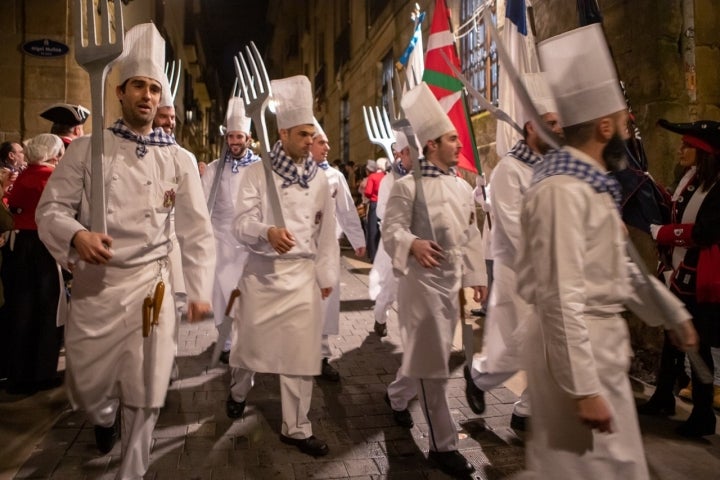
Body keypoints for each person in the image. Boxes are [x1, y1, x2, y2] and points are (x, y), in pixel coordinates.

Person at [515, 24, 697, 478]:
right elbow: (560, 294)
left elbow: (621, 269)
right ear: (602, 126)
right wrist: (583, 388)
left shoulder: (590, 186)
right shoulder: (562, 191)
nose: (628, 123)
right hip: (577, 357)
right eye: (622, 116)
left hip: (597, 352)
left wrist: (671, 313)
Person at [36, 23, 215, 479]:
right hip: (98, 287)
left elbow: (196, 231)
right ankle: (103, 413)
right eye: (140, 85)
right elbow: (50, 210)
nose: (148, 96)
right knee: (91, 390)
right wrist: (77, 236)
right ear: (120, 91)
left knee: (147, 391)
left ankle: (132, 470)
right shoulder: (86, 151)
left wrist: (198, 289)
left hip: (151, 290)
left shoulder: (181, 160)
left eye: (155, 89)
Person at [382, 82, 487, 477]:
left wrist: (477, 276)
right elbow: (391, 230)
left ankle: (396, 398)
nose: (459, 144)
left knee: (427, 359)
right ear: (430, 145)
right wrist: (412, 244)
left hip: (451, 286)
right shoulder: (407, 187)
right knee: (434, 368)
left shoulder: (463, 187)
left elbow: (472, 234)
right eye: (452, 138)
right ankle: (442, 446)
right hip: (421, 287)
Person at [230, 75, 338, 457]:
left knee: (300, 354)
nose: (311, 141)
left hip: (302, 277)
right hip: (263, 275)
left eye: (313, 134)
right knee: (248, 348)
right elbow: (240, 224)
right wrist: (267, 231)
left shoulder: (321, 180)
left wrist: (326, 275)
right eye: (304, 134)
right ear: (284, 132)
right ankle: (238, 390)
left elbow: (327, 231)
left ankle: (297, 427)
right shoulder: (256, 173)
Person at [466, 73, 563, 431]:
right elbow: (513, 227)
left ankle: (525, 413)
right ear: (531, 126)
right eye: (550, 123)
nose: (557, 130)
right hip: (517, 275)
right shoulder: (508, 170)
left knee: (548, 349)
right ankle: (477, 377)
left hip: (550, 272)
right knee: (514, 352)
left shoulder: (553, 169)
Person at [638, 118, 720, 437]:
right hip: (677, 272)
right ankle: (663, 396)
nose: (681, 149)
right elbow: (678, 208)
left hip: (700, 279)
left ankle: (703, 415)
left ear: (703, 152)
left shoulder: (716, 186)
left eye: (687, 145)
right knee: (671, 341)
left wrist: (665, 234)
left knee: (696, 346)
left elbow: (705, 231)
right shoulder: (690, 178)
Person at [2, 134, 65, 395]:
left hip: (18, 245)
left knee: (20, 309)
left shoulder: (21, 176)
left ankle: (17, 375)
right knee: (48, 311)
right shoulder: (53, 177)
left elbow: (12, 205)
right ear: (53, 155)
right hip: (44, 246)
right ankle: (41, 374)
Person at [200, 97, 259, 369]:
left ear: (248, 137)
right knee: (222, 296)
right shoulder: (213, 168)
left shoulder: (261, 168)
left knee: (250, 296)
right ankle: (224, 343)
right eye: (231, 136)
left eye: (239, 136)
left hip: (250, 243)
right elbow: (202, 204)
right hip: (220, 240)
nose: (234, 141)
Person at [311, 118, 365, 381]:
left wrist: (358, 240)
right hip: (300, 252)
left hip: (328, 251)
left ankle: (321, 356)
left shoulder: (335, 176)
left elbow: (346, 210)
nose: (328, 147)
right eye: (322, 142)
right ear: (309, 144)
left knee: (326, 303)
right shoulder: (293, 174)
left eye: (328, 142)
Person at [368, 130, 412, 337]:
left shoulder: (425, 177)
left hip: (418, 244)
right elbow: (381, 211)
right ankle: (380, 317)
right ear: (402, 153)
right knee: (389, 287)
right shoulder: (389, 180)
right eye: (412, 152)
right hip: (394, 243)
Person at [363, 157, 386, 262]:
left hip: (374, 204)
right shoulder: (387, 177)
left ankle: (373, 256)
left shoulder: (373, 176)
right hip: (385, 204)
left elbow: (367, 192)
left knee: (372, 230)